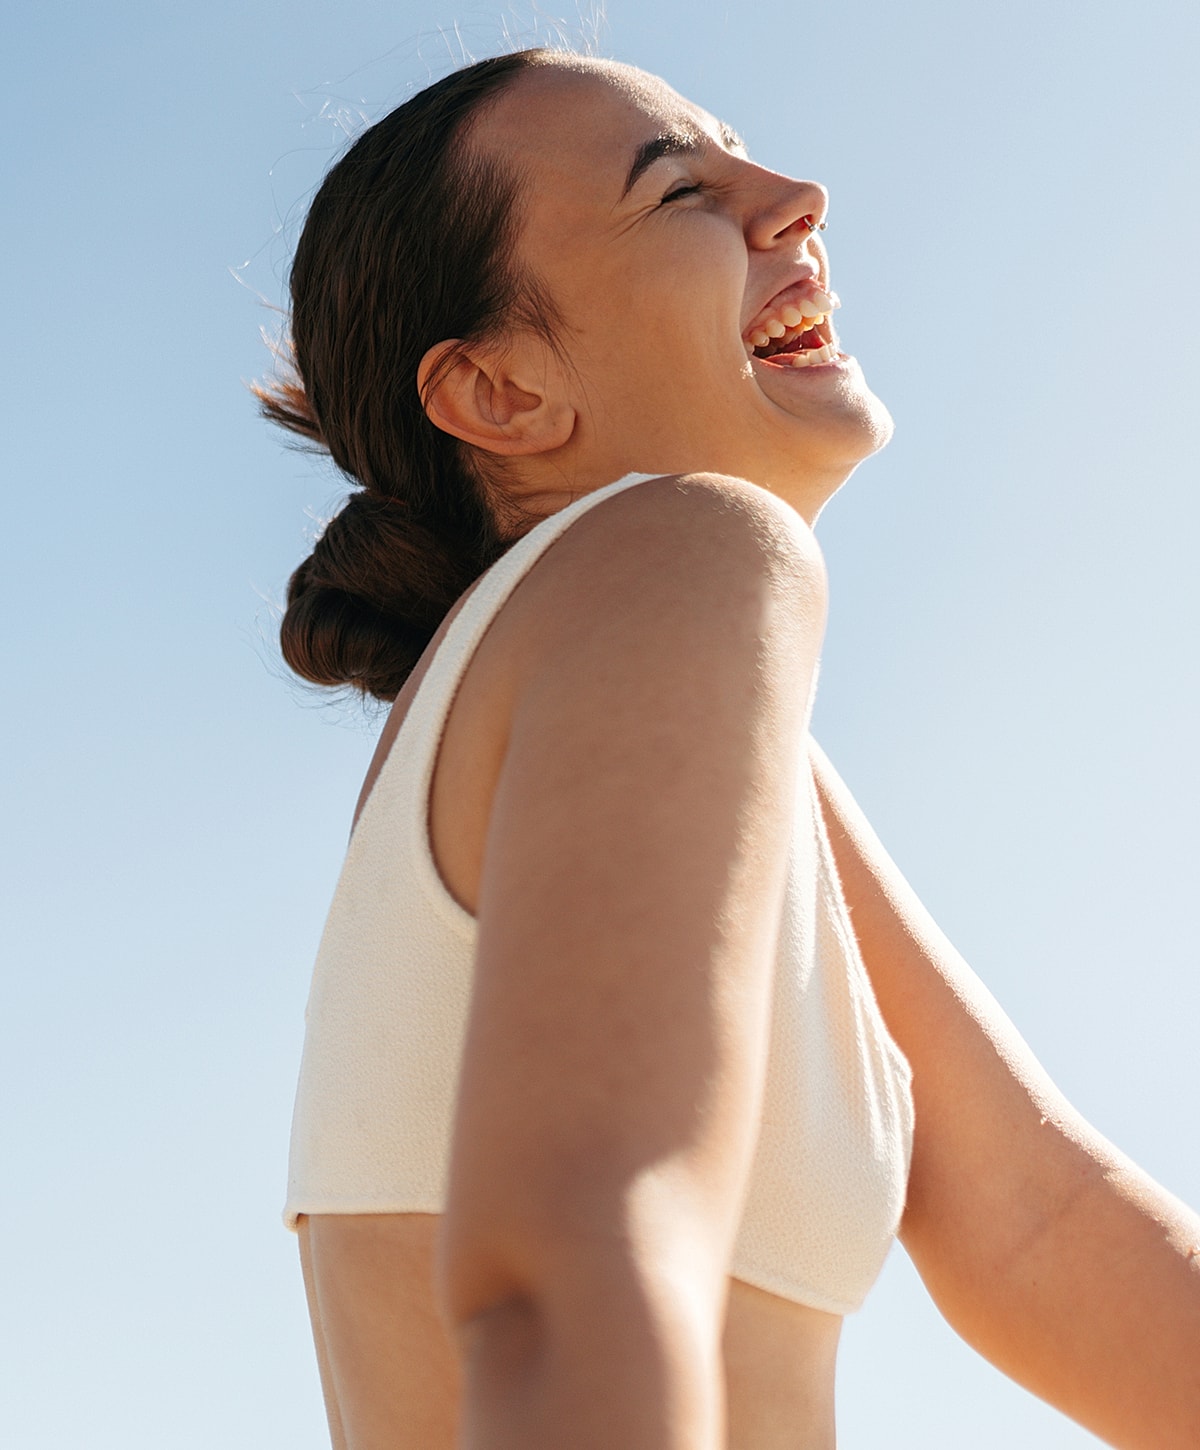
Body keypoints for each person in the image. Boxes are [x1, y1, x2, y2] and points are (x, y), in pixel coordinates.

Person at [257, 48, 1200, 1450]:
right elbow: (574, 1248)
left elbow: (1038, 1223)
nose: (801, 197)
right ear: (502, 393)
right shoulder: (693, 542)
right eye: (681, 188)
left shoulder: (635, 696)